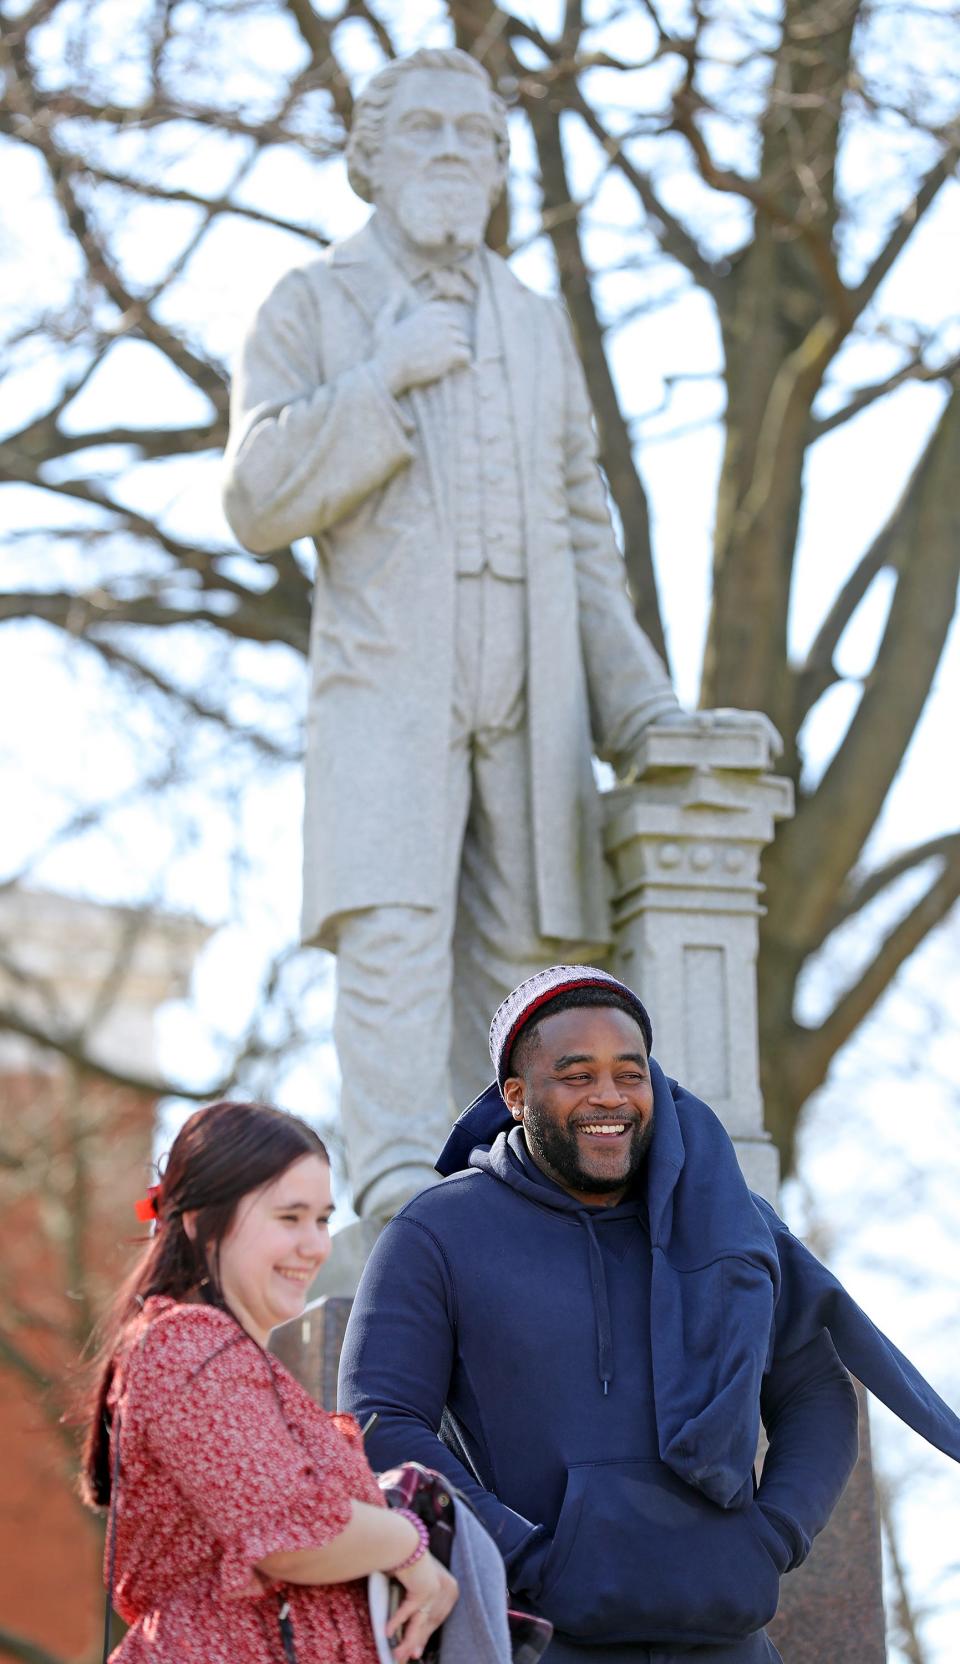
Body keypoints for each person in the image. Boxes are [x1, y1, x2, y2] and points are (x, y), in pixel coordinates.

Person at [222, 47, 775, 1225]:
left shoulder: (533, 323)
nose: (451, 154)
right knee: (392, 935)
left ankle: (512, 1195)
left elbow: (586, 539)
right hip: (388, 682)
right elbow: (255, 496)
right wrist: (380, 381)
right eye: (422, 129)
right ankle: (395, 1198)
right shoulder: (312, 302)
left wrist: (641, 713)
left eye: (475, 135)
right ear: (369, 157)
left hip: (531, 692)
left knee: (530, 953)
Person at [339, 965, 960, 1663]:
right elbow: (380, 1421)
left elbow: (814, 1391)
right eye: (577, 1076)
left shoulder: (728, 1223)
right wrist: (522, 1556)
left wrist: (773, 1536)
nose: (609, 1096)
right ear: (517, 1096)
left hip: (729, 1637)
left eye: (629, 1075)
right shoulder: (438, 1232)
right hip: (542, 1637)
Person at [80, 1100, 457, 1664]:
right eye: (289, 1217)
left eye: (323, 1218)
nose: (315, 1245)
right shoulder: (187, 1343)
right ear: (198, 1219)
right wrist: (411, 1547)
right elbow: (291, 1531)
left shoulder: (222, 1353)